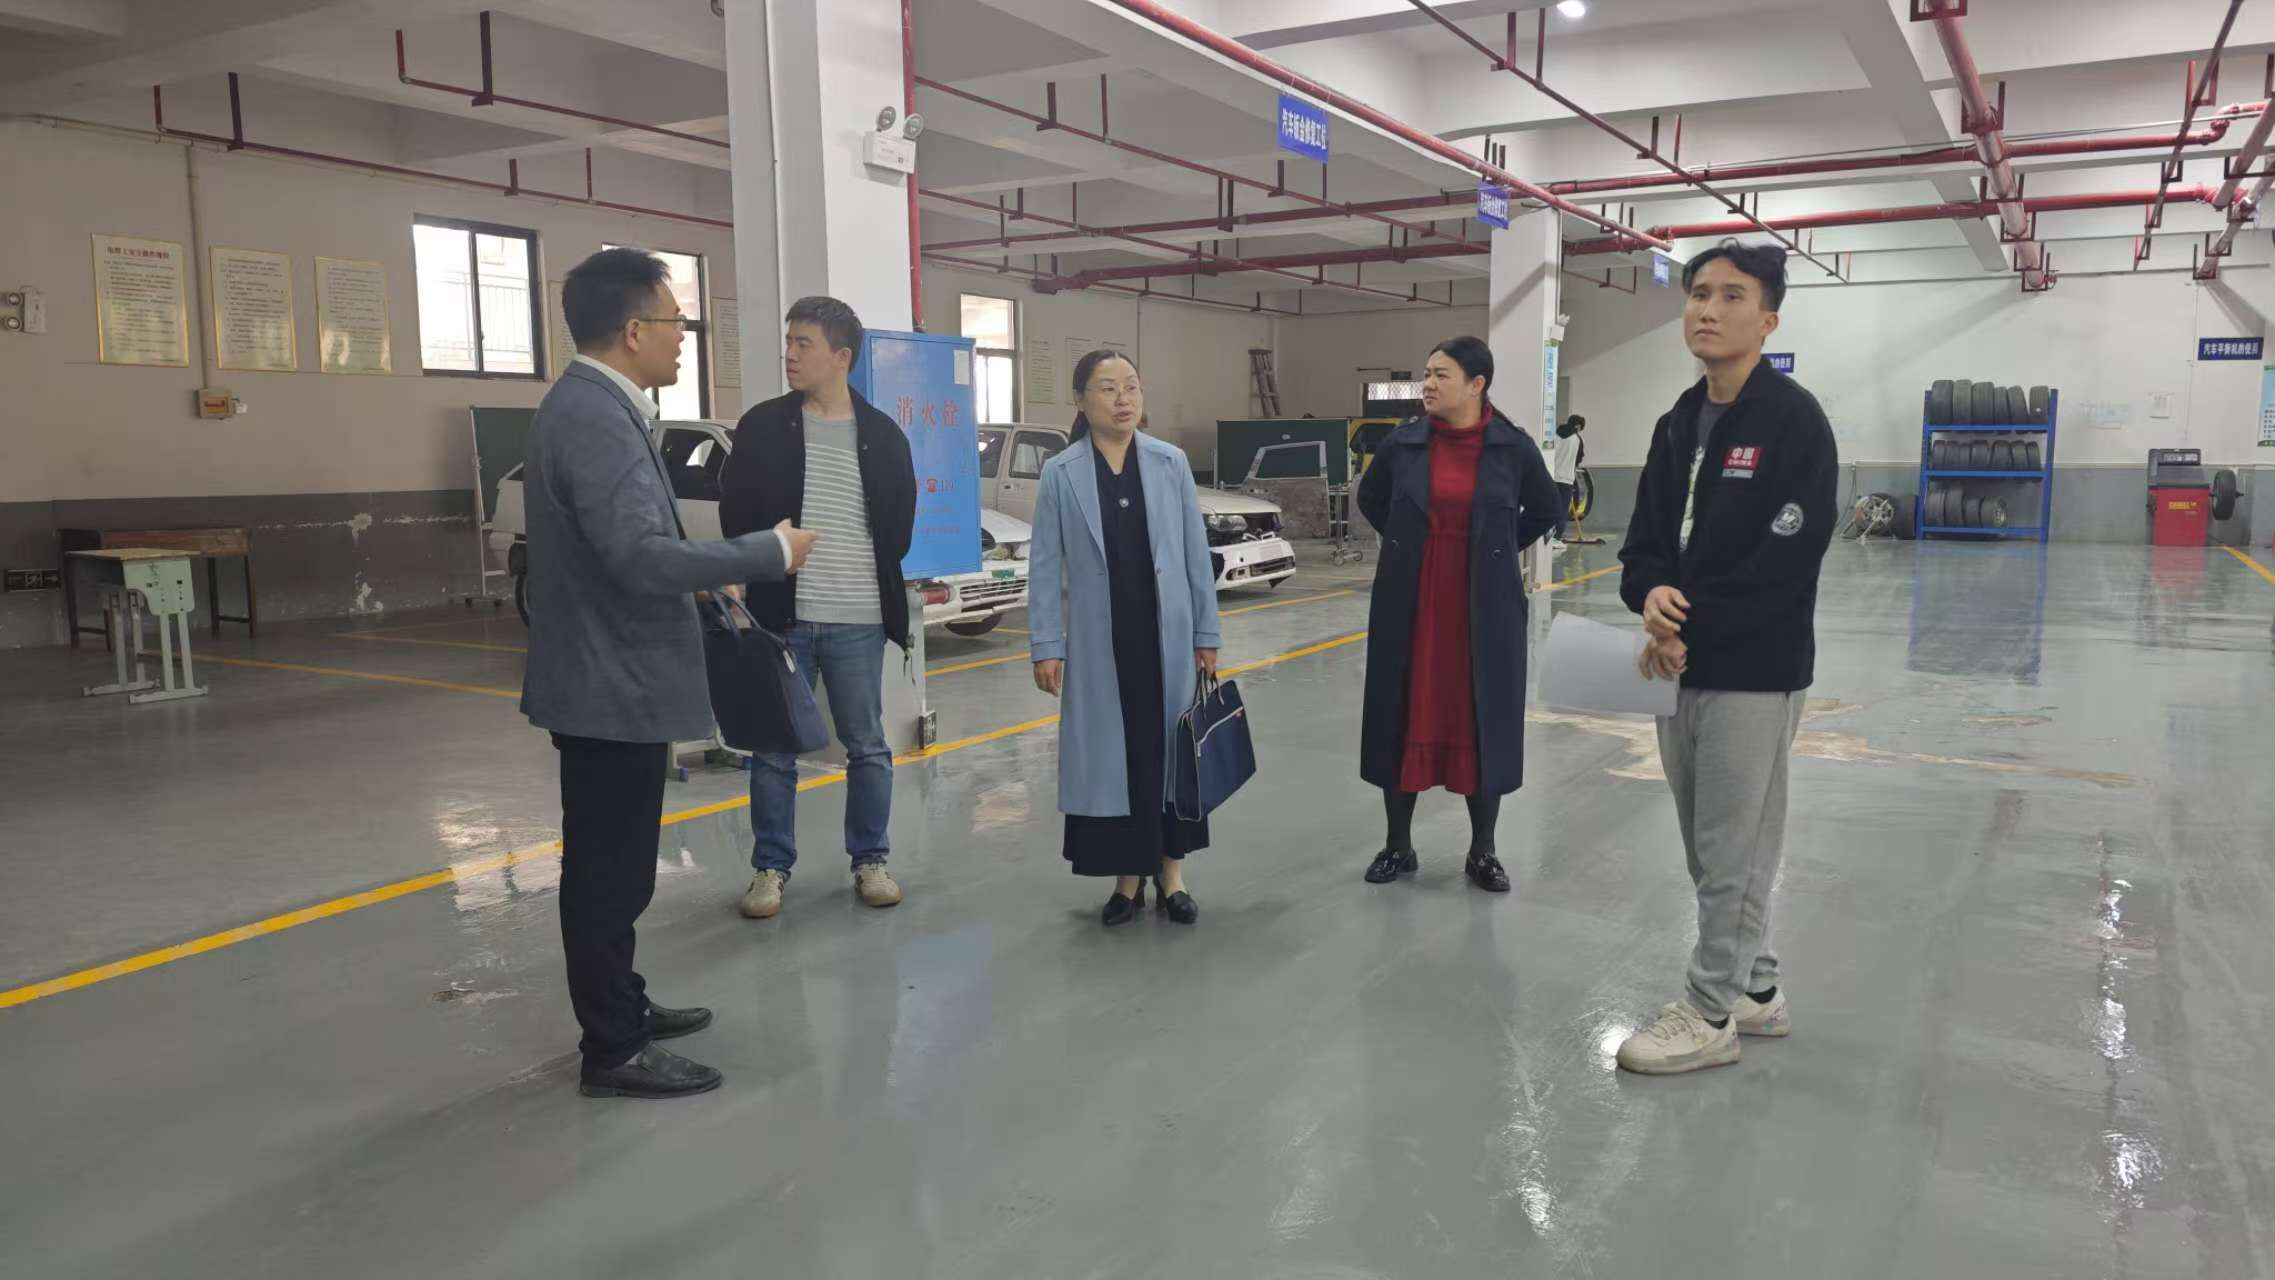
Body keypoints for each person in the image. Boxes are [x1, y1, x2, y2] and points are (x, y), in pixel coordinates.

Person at [520, 248, 817, 1100]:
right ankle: (612, 1047)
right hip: (606, 684)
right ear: (632, 329)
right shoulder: (593, 417)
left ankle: (625, 1005)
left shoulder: (600, 407)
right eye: (675, 320)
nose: (683, 335)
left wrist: (711, 571)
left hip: (613, 680)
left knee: (617, 867)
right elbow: (640, 557)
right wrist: (766, 552)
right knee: (607, 872)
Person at [1614, 239, 1837, 1076]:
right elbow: (1643, 538)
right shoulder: (1678, 421)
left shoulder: (1793, 422)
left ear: (1767, 320)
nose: (1707, 309)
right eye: (1698, 293)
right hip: (1677, 664)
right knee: (1710, 847)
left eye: (1731, 295)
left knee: (1733, 847)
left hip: (1754, 667)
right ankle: (1755, 990)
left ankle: (1709, 1012)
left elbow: (1788, 554)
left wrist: (1688, 624)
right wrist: (1649, 599)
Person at [720, 296, 917, 919]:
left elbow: (898, 530)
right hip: (782, 620)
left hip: (859, 618)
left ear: (841, 356)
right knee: (773, 749)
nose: (790, 354)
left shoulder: (882, 435)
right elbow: (736, 513)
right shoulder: (762, 427)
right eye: (789, 342)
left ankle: (870, 860)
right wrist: (759, 563)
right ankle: (770, 869)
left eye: (803, 343)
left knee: (867, 745)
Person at [1355, 337, 1560, 893]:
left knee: (1481, 716)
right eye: (1427, 373)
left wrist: (1496, 547)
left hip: (1483, 603)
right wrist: (1410, 543)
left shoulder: (1512, 448)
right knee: (1402, 710)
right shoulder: (1402, 444)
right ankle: (1398, 845)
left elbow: (1546, 507)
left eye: (1441, 375)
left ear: (1477, 384)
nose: (1428, 384)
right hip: (1412, 599)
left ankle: (1482, 851)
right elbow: (1371, 498)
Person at [1028, 350, 1223, 927]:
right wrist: (1046, 644)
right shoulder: (1061, 472)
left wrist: (1206, 632)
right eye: (1108, 388)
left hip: (1168, 637)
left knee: (1171, 753)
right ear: (1081, 400)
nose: (1123, 399)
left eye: (1132, 387)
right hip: (1100, 643)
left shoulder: (1169, 463)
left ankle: (1172, 876)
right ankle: (1127, 881)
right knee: (1118, 758)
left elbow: (1194, 555)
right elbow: (1045, 565)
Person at [1547, 413, 1586, 548]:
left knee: (1550, 507)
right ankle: (1556, 538)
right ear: (1578, 426)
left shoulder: (1553, 435)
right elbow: (1579, 459)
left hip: (1550, 477)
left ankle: (1546, 537)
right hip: (1566, 479)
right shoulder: (1577, 439)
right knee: (1562, 510)